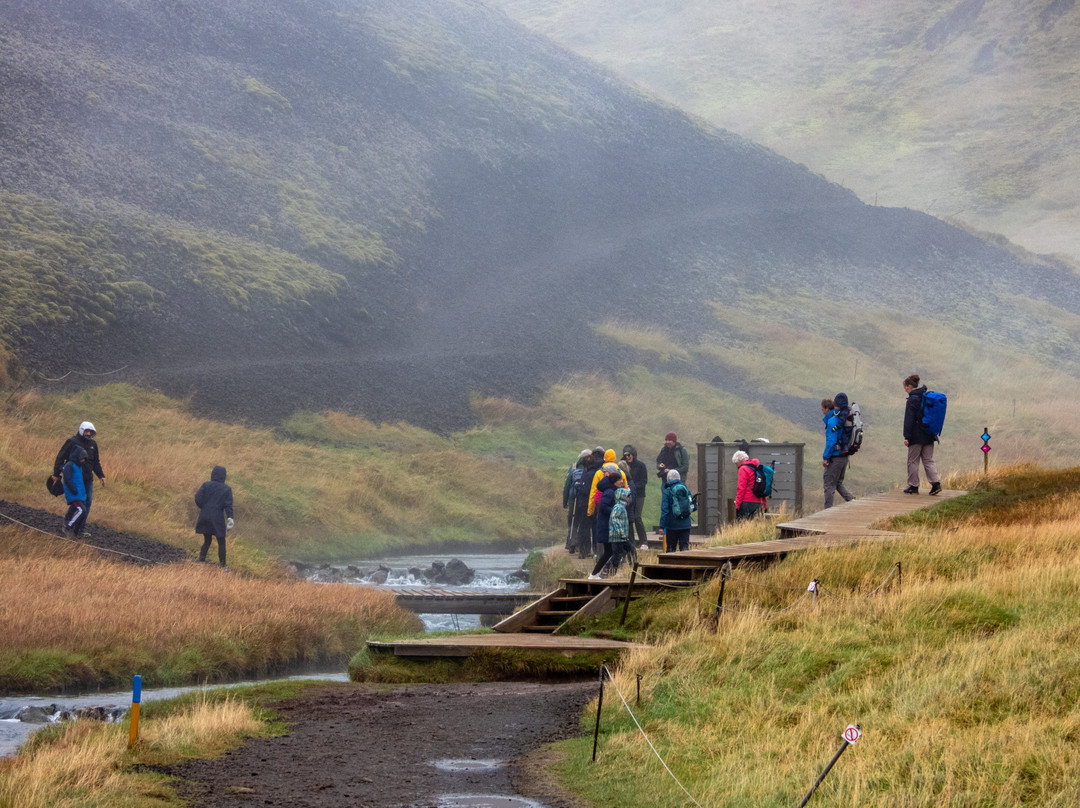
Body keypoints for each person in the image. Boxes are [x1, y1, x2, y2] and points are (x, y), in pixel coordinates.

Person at [51, 421, 105, 534]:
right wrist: (56, 474)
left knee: (87, 502)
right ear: (81, 430)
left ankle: (79, 528)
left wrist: (101, 475)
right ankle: (68, 521)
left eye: (90, 432)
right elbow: (60, 457)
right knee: (78, 502)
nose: (88, 433)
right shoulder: (72, 442)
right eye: (86, 431)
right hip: (74, 478)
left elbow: (96, 462)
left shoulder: (93, 444)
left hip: (88, 479)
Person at [902, 374, 942, 495]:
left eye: (905, 387)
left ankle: (913, 486)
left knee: (913, 461)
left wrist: (907, 436)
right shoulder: (926, 397)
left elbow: (908, 420)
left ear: (910, 386)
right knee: (928, 460)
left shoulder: (912, 400)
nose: (905, 390)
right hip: (929, 434)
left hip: (916, 436)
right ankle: (936, 484)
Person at [195, 465, 234, 566]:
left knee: (207, 540)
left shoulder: (206, 485)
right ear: (224, 476)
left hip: (204, 514)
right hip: (217, 516)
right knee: (221, 541)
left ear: (213, 474)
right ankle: (223, 565)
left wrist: (203, 507)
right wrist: (230, 517)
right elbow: (228, 505)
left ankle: (201, 560)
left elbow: (198, 497)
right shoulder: (226, 489)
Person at [822, 395, 855, 508]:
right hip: (844, 456)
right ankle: (853, 502)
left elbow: (831, 442)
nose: (822, 412)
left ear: (827, 409)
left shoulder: (832, 421)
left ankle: (827, 511)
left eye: (823, 409)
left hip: (836, 457)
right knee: (838, 483)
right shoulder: (843, 418)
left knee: (828, 484)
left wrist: (826, 457)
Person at [588, 471, 622, 579]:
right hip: (606, 526)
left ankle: (599, 574)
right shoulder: (609, 492)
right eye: (619, 480)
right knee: (611, 551)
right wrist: (615, 511)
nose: (621, 481)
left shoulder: (611, 490)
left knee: (610, 551)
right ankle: (596, 574)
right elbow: (603, 506)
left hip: (607, 525)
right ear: (614, 481)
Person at [621, 445, 649, 548]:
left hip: (639, 495)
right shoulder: (623, 465)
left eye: (629, 455)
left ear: (633, 454)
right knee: (628, 518)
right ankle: (631, 542)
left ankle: (644, 541)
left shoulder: (641, 465)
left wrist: (632, 487)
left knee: (637, 517)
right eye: (625, 455)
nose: (627, 457)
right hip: (627, 494)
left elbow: (644, 481)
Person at [659, 469, 693, 551]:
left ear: (668, 478)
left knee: (671, 550)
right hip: (685, 525)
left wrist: (662, 526)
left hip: (672, 526)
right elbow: (692, 504)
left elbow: (665, 510)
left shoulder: (667, 491)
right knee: (684, 549)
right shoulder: (685, 489)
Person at [563, 450, 590, 552]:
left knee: (572, 520)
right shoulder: (589, 468)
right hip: (583, 498)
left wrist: (565, 501)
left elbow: (567, 486)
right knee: (581, 520)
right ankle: (579, 543)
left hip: (572, 498)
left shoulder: (573, 467)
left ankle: (570, 542)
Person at [61, 445, 89, 538]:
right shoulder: (69, 465)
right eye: (82, 458)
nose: (83, 460)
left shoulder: (79, 467)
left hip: (79, 494)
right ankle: (68, 527)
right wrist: (73, 490)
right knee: (81, 510)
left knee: (83, 512)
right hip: (73, 493)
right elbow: (67, 479)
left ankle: (75, 532)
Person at [732, 450, 767, 520]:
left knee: (742, 523)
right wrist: (764, 504)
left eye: (736, 463)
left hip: (747, 502)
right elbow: (763, 486)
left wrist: (737, 505)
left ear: (739, 460)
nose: (736, 466)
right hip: (759, 502)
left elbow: (741, 488)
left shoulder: (743, 469)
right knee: (756, 524)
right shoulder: (758, 468)